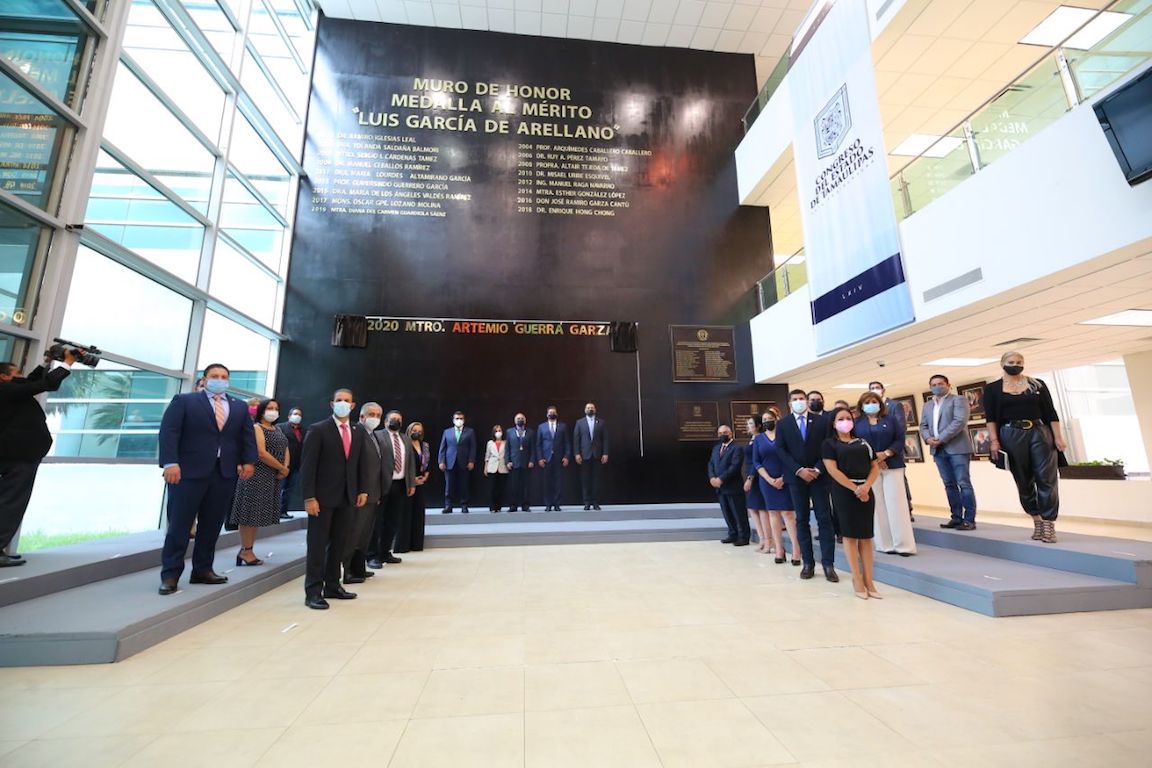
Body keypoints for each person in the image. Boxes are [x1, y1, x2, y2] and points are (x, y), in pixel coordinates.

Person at [157, 364, 257, 595]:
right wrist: (170, 462)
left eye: (224, 377)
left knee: (211, 525)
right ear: (204, 379)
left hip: (223, 472)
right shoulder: (185, 401)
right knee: (180, 525)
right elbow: (169, 432)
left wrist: (248, 461)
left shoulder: (239, 406)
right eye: (214, 376)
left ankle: (202, 570)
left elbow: (246, 436)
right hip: (187, 472)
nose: (219, 380)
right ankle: (170, 574)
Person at [0, 349, 76, 566]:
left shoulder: (9, 389)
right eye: (16, 373)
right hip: (19, 456)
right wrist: (68, 362)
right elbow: (44, 384)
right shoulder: (6, 390)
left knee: (8, 500)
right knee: (12, 502)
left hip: (15, 454)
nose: (21, 376)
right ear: (4, 377)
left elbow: (29, 383)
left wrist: (47, 362)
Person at [984, 351, 1067, 543]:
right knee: (1023, 479)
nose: (1016, 364)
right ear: (1002, 364)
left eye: (1019, 362)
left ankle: (1048, 523)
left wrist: (1058, 437)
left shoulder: (1037, 384)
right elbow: (991, 418)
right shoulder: (992, 389)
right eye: (1011, 361)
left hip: (1039, 432)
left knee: (1047, 478)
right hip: (1011, 434)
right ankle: (1036, 519)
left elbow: (1051, 412)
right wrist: (994, 441)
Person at [300, 388, 370, 609]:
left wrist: (362, 490)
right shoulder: (318, 429)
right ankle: (313, 591)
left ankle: (332, 585)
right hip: (322, 498)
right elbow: (308, 466)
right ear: (332, 404)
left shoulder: (358, 430)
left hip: (347, 496)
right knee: (317, 545)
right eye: (339, 400)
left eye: (347, 400)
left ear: (353, 405)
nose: (342, 403)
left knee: (339, 544)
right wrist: (309, 497)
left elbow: (360, 463)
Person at [776, 388, 838, 582]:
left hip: (820, 477)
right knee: (801, 520)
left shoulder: (822, 421)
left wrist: (818, 469)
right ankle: (808, 563)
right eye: (795, 399)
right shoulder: (783, 424)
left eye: (802, 398)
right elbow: (781, 450)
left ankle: (828, 564)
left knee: (824, 519)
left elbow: (828, 446)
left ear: (807, 401)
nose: (799, 401)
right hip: (796, 478)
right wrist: (799, 470)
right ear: (789, 403)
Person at [822, 407, 882, 599]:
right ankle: (857, 578)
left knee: (866, 536)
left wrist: (866, 486)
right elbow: (833, 470)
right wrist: (855, 488)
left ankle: (869, 580)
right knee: (850, 535)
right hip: (844, 492)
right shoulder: (829, 444)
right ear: (833, 423)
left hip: (865, 490)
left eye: (848, 418)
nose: (845, 421)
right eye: (840, 419)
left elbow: (875, 466)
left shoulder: (863, 442)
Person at [228, 398, 290, 566]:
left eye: (276, 408)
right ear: (262, 410)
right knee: (249, 514)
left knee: (256, 516)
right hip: (255, 476)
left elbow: (285, 448)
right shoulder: (257, 428)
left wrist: (285, 467)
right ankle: (245, 550)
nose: (273, 411)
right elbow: (261, 453)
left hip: (272, 476)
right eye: (270, 408)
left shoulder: (278, 429)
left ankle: (248, 549)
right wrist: (281, 468)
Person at [855, 392, 915, 557]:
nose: (871, 404)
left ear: (880, 404)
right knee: (877, 505)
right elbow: (857, 444)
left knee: (896, 504)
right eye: (867, 402)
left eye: (874, 401)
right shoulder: (857, 423)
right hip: (869, 467)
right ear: (861, 405)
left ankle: (903, 545)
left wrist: (886, 454)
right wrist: (874, 458)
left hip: (892, 464)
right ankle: (884, 544)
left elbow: (899, 439)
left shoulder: (890, 420)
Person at [920, 374, 976, 531]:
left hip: (957, 448)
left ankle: (969, 519)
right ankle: (956, 517)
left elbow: (959, 421)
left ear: (948, 385)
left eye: (940, 383)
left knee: (963, 483)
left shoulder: (958, 400)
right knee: (949, 484)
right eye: (934, 385)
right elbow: (923, 425)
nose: (937, 387)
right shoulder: (927, 405)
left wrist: (941, 438)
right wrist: (928, 438)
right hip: (938, 450)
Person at [369, 409, 415, 565]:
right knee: (376, 522)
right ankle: (372, 555)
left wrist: (411, 483)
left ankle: (385, 552)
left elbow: (410, 462)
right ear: (385, 421)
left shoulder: (406, 439)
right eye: (393, 419)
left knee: (392, 521)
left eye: (399, 419)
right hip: (381, 485)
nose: (396, 421)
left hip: (400, 484)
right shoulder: (377, 436)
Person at [754, 407, 800, 566]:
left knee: (788, 514)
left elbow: (791, 457)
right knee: (773, 514)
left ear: (776, 419)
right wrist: (769, 479)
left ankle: (796, 549)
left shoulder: (785, 435)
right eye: (764, 420)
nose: (767, 422)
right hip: (767, 481)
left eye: (770, 419)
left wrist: (783, 478)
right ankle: (779, 549)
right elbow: (757, 462)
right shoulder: (759, 439)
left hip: (786, 478)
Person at [343, 403, 383, 583]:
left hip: (374, 492)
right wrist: (361, 490)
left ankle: (358, 568)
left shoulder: (374, 436)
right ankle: (346, 571)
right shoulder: (355, 433)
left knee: (364, 535)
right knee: (353, 533)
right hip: (361, 494)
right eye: (371, 414)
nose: (375, 418)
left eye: (378, 415)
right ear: (361, 416)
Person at [708, 424, 749, 546]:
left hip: (733, 486)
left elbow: (735, 466)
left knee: (738, 513)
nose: (722, 435)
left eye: (725, 433)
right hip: (720, 488)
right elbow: (711, 464)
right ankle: (732, 534)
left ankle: (743, 537)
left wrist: (721, 479)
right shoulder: (716, 448)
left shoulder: (737, 448)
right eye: (720, 433)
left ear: (731, 433)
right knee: (727, 513)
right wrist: (712, 478)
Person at [395, 422, 431, 553]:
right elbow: (401, 464)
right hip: (407, 483)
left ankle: (417, 544)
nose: (417, 433)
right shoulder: (404, 444)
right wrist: (412, 479)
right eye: (414, 430)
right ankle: (403, 545)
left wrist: (425, 476)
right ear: (409, 431)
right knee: (406, 513)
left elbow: (427, 464)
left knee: (418, 513)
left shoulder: (424, 446)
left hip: (421, 483)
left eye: (420, 431)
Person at [438, 410, 476, 514]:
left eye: (461, 418)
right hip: (449, 462)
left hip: (464, 461)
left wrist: (471, 461)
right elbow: (443, 447)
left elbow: (473, 447)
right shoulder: (447, 432)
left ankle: (464, 505)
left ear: (464, 420)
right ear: (453, 420)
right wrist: (441, 461)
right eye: (457, 418)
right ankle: (448, 505)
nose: (459, 420)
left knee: (464, 485)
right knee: (449, 485)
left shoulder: (470, 432)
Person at [573, 402, 608, 510]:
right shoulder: (579, 422)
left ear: (595, 409)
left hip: (597, 454)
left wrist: (605, 453)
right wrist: (577, 453)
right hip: (584, 455)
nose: (590, 409)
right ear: (585, 410)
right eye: (588, 408)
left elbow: (605, 439)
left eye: (592, 407)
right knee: (585, 480)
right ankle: (587, 502)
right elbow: (576, 439)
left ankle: (595, 502)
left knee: (596, 480)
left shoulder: (601, 422)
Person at [535, 405, 571, 511]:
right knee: (547, 483)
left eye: (553, 412)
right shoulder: (541, 427)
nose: (552, 414)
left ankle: (557, 504)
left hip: (559, 458)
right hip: (546, 459)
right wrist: (540, 458)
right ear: (547, 414)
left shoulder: (563, 426)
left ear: (557, 414)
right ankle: (548, 504)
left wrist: (567, 456)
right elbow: (538, 444)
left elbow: (567, 443)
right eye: (550, 412)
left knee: (558, 482)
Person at [743, 417, 770, 552]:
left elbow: (756, 461)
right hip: (750, 474)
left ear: (758, 426)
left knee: (761, 508)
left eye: (751, 424)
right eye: (747, 424)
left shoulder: (761, 438)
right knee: (752, 508)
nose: (748, 426)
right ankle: (761, 538)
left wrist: (750, 477)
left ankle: (768, 540)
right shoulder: (752, 439)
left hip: (757, 476)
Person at [277, 407, 306, 519]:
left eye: (299, 414)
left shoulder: (304, 430)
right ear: (289, 416)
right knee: (278, 487)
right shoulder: (280, 427)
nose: (297, 416)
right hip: (281, 463)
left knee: (288, 489)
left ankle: (282, 511)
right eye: (295, 413)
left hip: (296, 464)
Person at [506, 413, 535, 512]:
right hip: (514, 463)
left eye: (522, 418)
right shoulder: (509, 432)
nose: (520, 420)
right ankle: (513, 506)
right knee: (513, 486)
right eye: (518, 418)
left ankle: (525, 505)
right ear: (515, 421)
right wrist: (508, 461)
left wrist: (531, 460)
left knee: (526, 486)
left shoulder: (530, 432)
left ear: (525, 420)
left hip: (526, 462)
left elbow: (533, 448)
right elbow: (507, 448)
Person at [483, 425, 510, 512]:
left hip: (502, 467)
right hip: (492, 467)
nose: (498, 432)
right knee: (492, 488)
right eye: (496, 431)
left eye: (499, 431)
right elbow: (487, 456)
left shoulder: (505, 442)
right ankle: (492, 507)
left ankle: (498, 507)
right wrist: (486, 467)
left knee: (500, 489)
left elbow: (508, 454)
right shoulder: (490, 443)